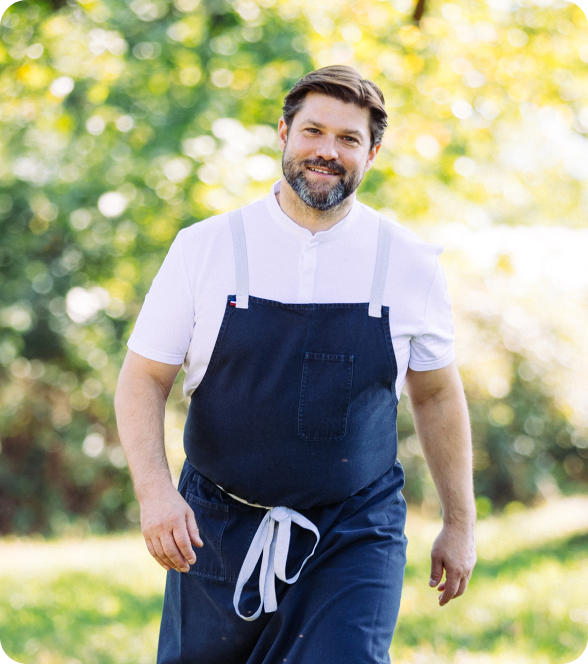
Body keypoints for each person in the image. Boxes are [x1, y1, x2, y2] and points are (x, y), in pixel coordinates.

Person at [114, 65, 477, 664]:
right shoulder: (206, 248)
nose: (327, 152)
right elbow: (143, 379)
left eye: (348, 139)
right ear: (283, 133)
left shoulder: (408, 262)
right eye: (313, 131)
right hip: (215, 531)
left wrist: (460, 523)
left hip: (354, 533)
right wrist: (155, 494)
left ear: (373, 151)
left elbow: (436, 395)